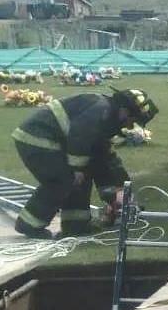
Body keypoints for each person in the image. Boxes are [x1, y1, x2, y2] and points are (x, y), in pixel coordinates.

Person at [11, 89, 158, 239]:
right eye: (132, 119)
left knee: (80, 178)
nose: (130, 125)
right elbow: (79, 137)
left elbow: (103, 157)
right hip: (37, 139)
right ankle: (28, 226)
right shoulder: (101, 110)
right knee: (62, 181)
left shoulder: (107, 115)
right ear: (125, 110)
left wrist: (118, 192)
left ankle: (76, 226)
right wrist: (76, 170)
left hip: (57, 141)